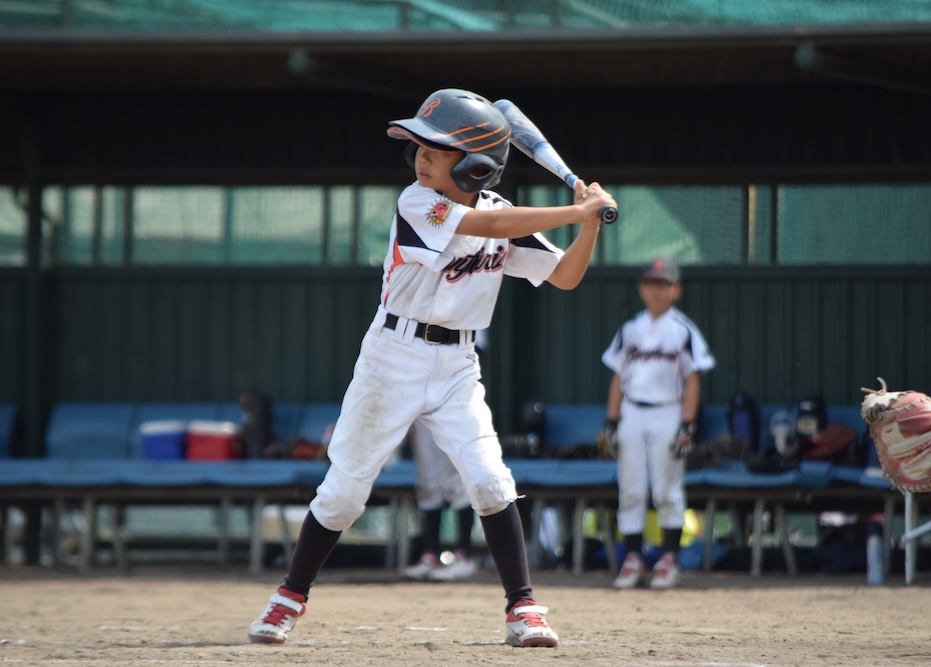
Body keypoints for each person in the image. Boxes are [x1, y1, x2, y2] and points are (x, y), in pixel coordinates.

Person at [247, 88, 616, 648]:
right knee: (344, 492)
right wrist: (576, 209)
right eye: (419, 145)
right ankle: (289, 596)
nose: (421, 155)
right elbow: (486, 228)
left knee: (490, 480)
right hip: (391, 357)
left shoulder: (500, 213)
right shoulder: (418, 203)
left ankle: (523, 607)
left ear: (475, 166)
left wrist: (589, 225)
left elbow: (564, 276)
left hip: (458, 364)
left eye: (437, 149)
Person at [599, 257, 715, 589]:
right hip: (632, 412)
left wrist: (688, 424)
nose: (656, 290)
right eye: (651, 283)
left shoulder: (683, 329)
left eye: (664, 284)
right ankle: (633, 558)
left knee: (667, 488)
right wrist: (611, 420)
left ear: (676, 290)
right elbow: (619, 376)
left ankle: (668, 558)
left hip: (668, 411)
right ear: (641, 288)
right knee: (631, 489)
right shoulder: (630, 328)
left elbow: (693, 379)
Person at [401, 419, 479, 581]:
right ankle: (431, 555)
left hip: (449, 408)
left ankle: (464, 556)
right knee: (427, 482)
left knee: (456, 480)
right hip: (420, 411)